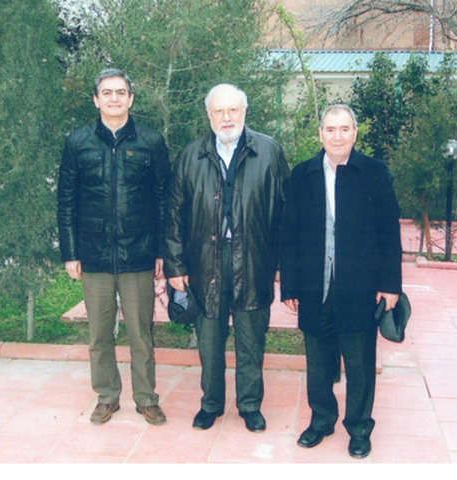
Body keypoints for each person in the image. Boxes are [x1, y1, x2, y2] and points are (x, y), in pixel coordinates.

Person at [163, 84, 289, 432]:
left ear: (244, 112)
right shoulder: (191, 156)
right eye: (219, 111)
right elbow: (173, 215)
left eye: (233, 109)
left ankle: (249, 405)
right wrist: (175, 266)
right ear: (209, 115)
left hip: (254, 260)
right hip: (204, 261)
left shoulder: (269, 152)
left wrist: (281, 263)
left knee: (251, 340)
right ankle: (211, 404)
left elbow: (286, 213)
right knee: (209, 340)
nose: (226, 117)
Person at [280, 104, 403, 459]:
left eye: (344, 129)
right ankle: (321, 419)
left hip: (359, 287)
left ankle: (359, 428)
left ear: (355, 133)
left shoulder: (375, 172)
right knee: (318, 361)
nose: (337, 136)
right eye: (331, 129)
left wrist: (390, 284)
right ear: (320, 133)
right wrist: (290, 285)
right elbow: (290, 232)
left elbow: (389, 232)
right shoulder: (302, 174)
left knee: (360, 361)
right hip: (313, 285)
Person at [57, 69, 170, 426]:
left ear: (131, 98)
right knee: (99, 334)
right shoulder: (78, 142)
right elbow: (66, 201)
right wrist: (70, 253)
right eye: (107, 93)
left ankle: (146, 398)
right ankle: (107, 396)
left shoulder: (151, 141)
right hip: (94, 255)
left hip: (138, 253)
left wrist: (161, 251)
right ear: (96, 100)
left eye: (121, 92)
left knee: (141, 333)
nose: (114, 98)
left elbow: (163, 201)